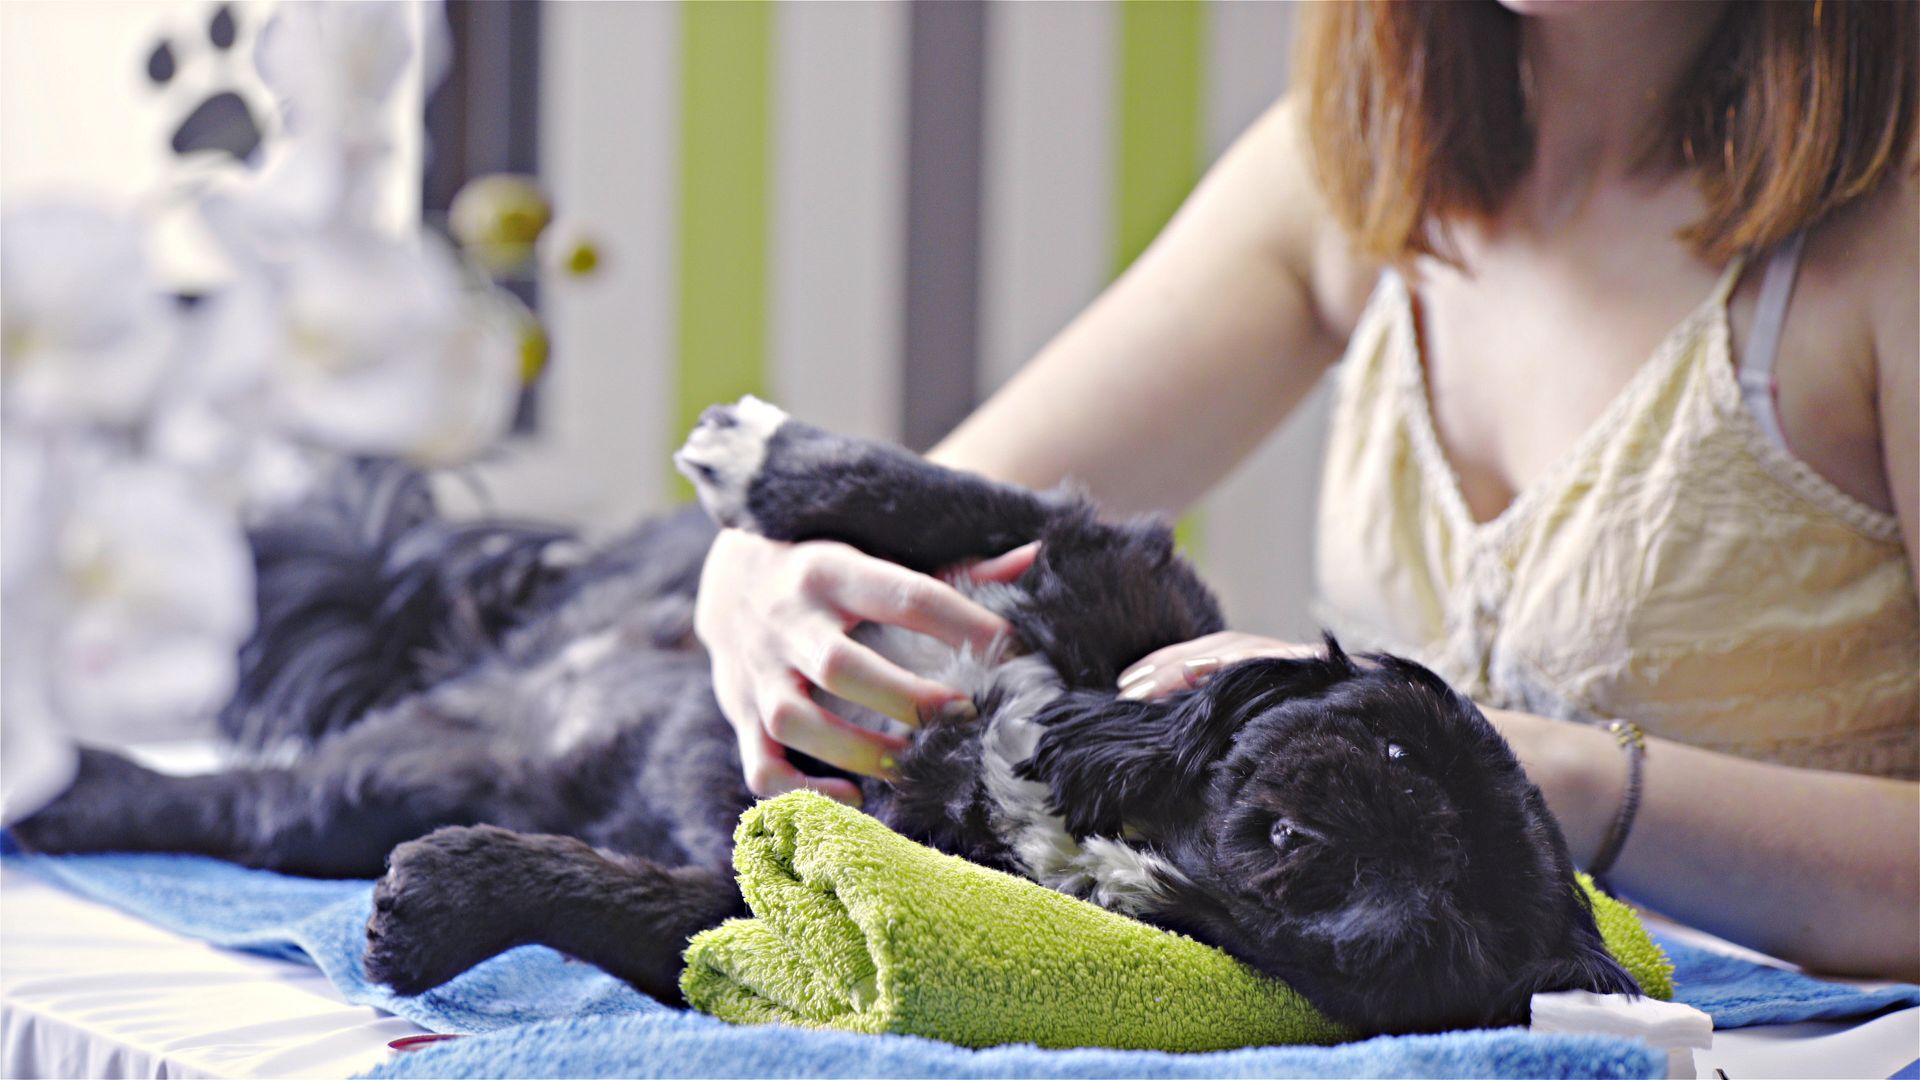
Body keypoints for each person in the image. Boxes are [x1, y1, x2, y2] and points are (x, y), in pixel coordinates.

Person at [694, 0, 1918, 980]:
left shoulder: (1889, 235)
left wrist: (1546, 772)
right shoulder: (1364, 163)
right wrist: (749, 577)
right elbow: (935, 527)